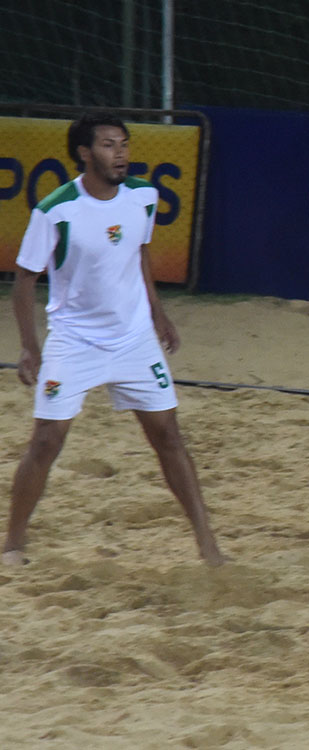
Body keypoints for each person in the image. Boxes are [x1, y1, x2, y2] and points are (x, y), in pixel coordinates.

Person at [5, 113, 225, 567]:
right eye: (109, 145)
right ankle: (13, 544)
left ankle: (208, 544)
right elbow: (25, 280)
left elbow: (139, 253)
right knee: (47, 441)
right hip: (75, 339)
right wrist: (30, 345)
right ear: (85, 153)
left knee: (168, 435)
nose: (120, 152)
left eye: (123, 143)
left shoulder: (143, 196)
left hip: (133, 337)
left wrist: (159, 315)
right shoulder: (55, 209)